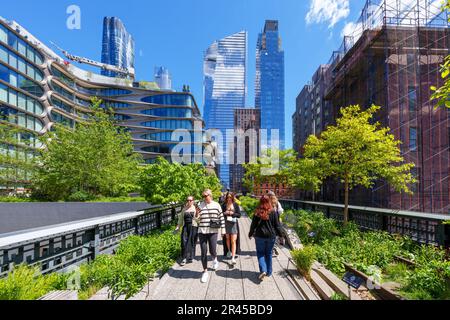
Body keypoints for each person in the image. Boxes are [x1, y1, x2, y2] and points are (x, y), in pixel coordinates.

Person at [248, 195, 284, 282]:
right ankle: (269, 272)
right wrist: (281, 236)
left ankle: (263, 270)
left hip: (259, 236)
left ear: (260, 201)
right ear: (269, 201)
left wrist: (250, 233)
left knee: (260, 253)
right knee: (269, 253)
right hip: (271, 236)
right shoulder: (273, 212)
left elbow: (253, 225)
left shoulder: (257, 212)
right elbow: (277, 226)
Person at [197, 189, 226, 283]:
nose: (204, 197)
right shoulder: (200, 205)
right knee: (203, 251)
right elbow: (196, 220)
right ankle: (205, 271)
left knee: (212, 249)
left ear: (210, 195)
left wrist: (223, 230)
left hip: (213, 231)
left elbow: (221, 217)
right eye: (203, 196)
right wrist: (196, 214)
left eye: (206, 195)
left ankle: (215, 259)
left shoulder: (216, 205)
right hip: (202, 231)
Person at [175, 196, 199, 265]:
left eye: (190, 200)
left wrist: (197, 215)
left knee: (191, 241)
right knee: (183, 241)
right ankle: (184, 257)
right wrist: (178, 227)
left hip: (193, 226)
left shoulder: (195, 208)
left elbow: (198, 220)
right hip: (185, 227)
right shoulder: (184, 209)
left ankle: (191, 257)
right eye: (187, 200)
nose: (189, 201)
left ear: (193, 201)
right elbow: (180, 219)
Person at [221, 192, 241, 265]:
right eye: (228, 197)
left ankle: (233, 257)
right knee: (227, 239)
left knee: (233, 241)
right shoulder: (223, 205)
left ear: (232, 197)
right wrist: (224, 213)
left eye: (230, 197)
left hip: (233, 224)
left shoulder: (235, 205)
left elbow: (239, 215)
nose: (229, 198)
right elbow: (220, 214)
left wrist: (233, 214)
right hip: (226, 224)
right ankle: (228, 251)